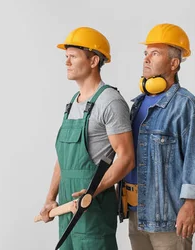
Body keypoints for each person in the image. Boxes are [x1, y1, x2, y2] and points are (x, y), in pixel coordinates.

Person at [38, 26, 135, 249]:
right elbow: (63, 160)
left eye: (73, 56)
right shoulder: (73, 102)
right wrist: (50, 198)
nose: (67, 62)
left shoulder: (110, 101)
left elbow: (126, 157)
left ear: (93, 61)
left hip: (93, 206)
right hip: (68, 206)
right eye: (66, 57)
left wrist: (93, 191)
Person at [118, 23, 195, 250]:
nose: (146, 59)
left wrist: (191, 207)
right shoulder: (138, 104)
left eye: (155, 53)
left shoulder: (186, 106)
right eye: (146, 53)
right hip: (136, 213)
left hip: (168, 218)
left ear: (174, 63)